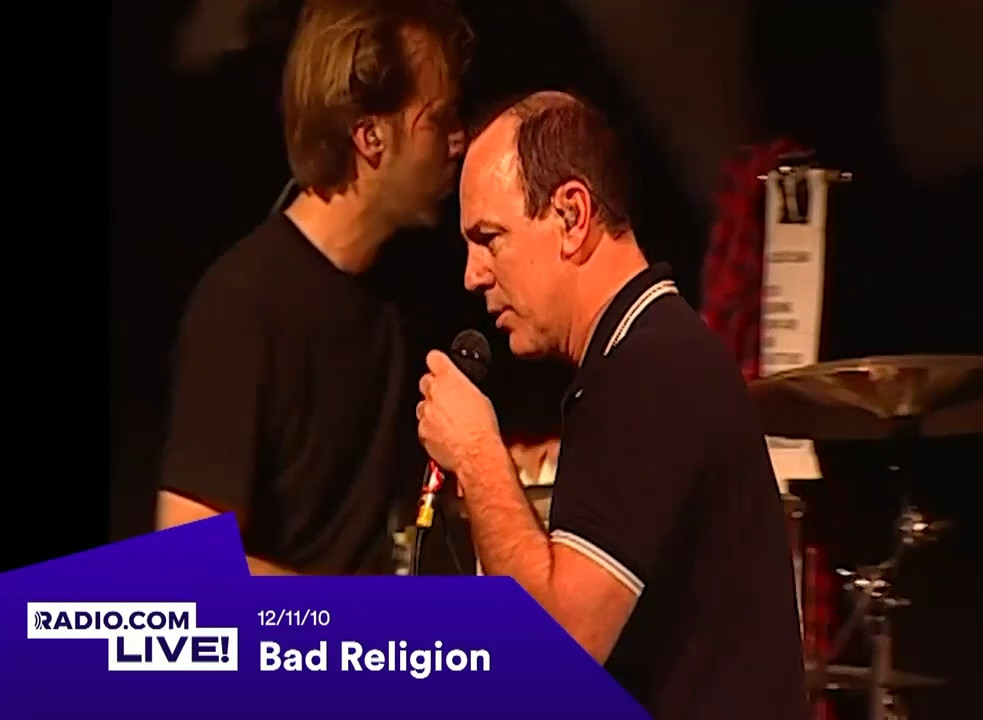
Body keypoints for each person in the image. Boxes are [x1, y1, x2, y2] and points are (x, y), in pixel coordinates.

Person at [415, 90, 809, 719]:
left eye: (490, 238)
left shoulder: (648, 372)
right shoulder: (644, 356)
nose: (473, 274)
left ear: (572, 216)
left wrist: (476, 450)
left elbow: (556, 652)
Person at [154, 0, 474, 576]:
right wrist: (356, 615)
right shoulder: (244, 307)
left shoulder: (397, 288)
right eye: (440, 119)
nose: (459, 140)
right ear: (370, 137)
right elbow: (187, 568)